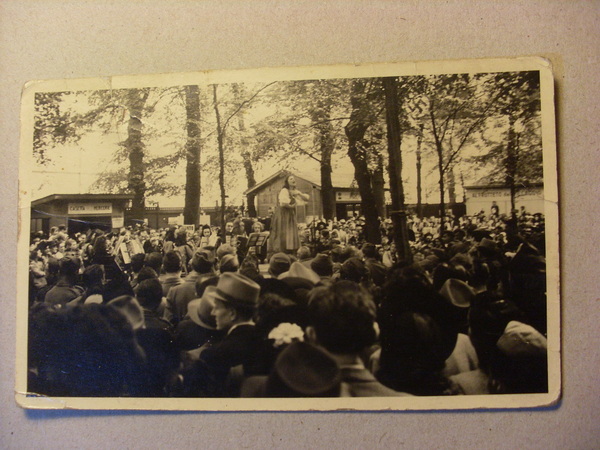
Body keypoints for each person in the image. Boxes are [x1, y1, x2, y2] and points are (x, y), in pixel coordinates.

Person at [269, 175, 309, 255]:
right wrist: (292, 206)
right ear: (287, 182)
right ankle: (284, 251)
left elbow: (306, 198)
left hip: (290, 214)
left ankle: (291, 251)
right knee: (284, 233)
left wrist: (298, 194)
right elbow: (283, 203)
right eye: (291, 179)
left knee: (291, 232)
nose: (293, 180)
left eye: (294, 179)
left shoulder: (294, 191)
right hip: (283, 214)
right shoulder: (284, 190)